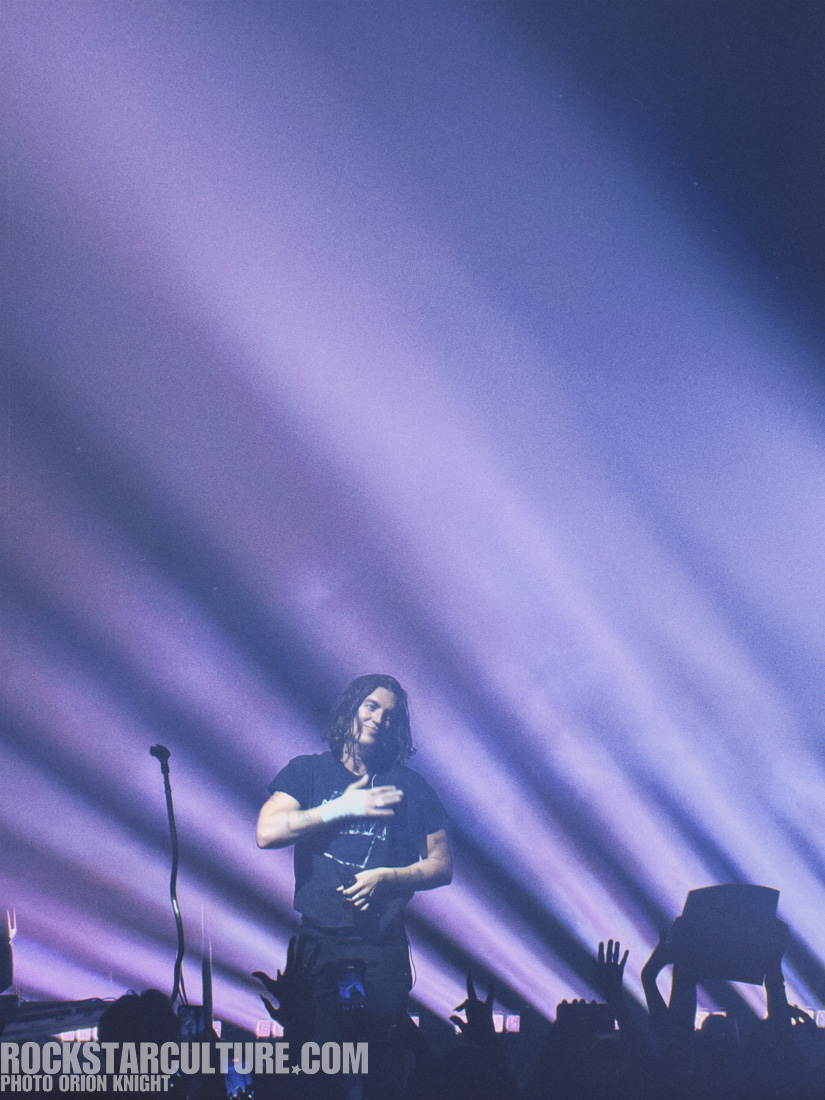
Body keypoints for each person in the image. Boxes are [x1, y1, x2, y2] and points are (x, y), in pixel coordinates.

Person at [256, 673, 452, 1048]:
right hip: (318, 941)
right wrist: (342, 807)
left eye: (391, 716)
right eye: (371, 706)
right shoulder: (308, 771)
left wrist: (389, 878)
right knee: (315, 1062)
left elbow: (442, 865)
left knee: (381, 1060)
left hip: (382, 945)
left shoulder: (411, 787)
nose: (380, 719)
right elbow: (267, 832)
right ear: (351, 710)